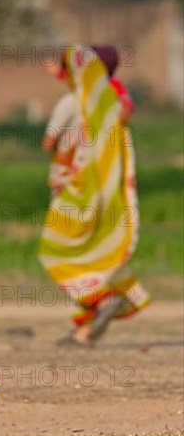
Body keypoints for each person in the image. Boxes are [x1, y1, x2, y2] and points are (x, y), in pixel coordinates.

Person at [40, 45, 150, 346]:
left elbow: (50, 142)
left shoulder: (74, 102)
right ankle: (85, 331)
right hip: (106, 194)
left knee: (62, 254)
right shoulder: (113, 101)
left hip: (74, 191)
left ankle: (103, 300)